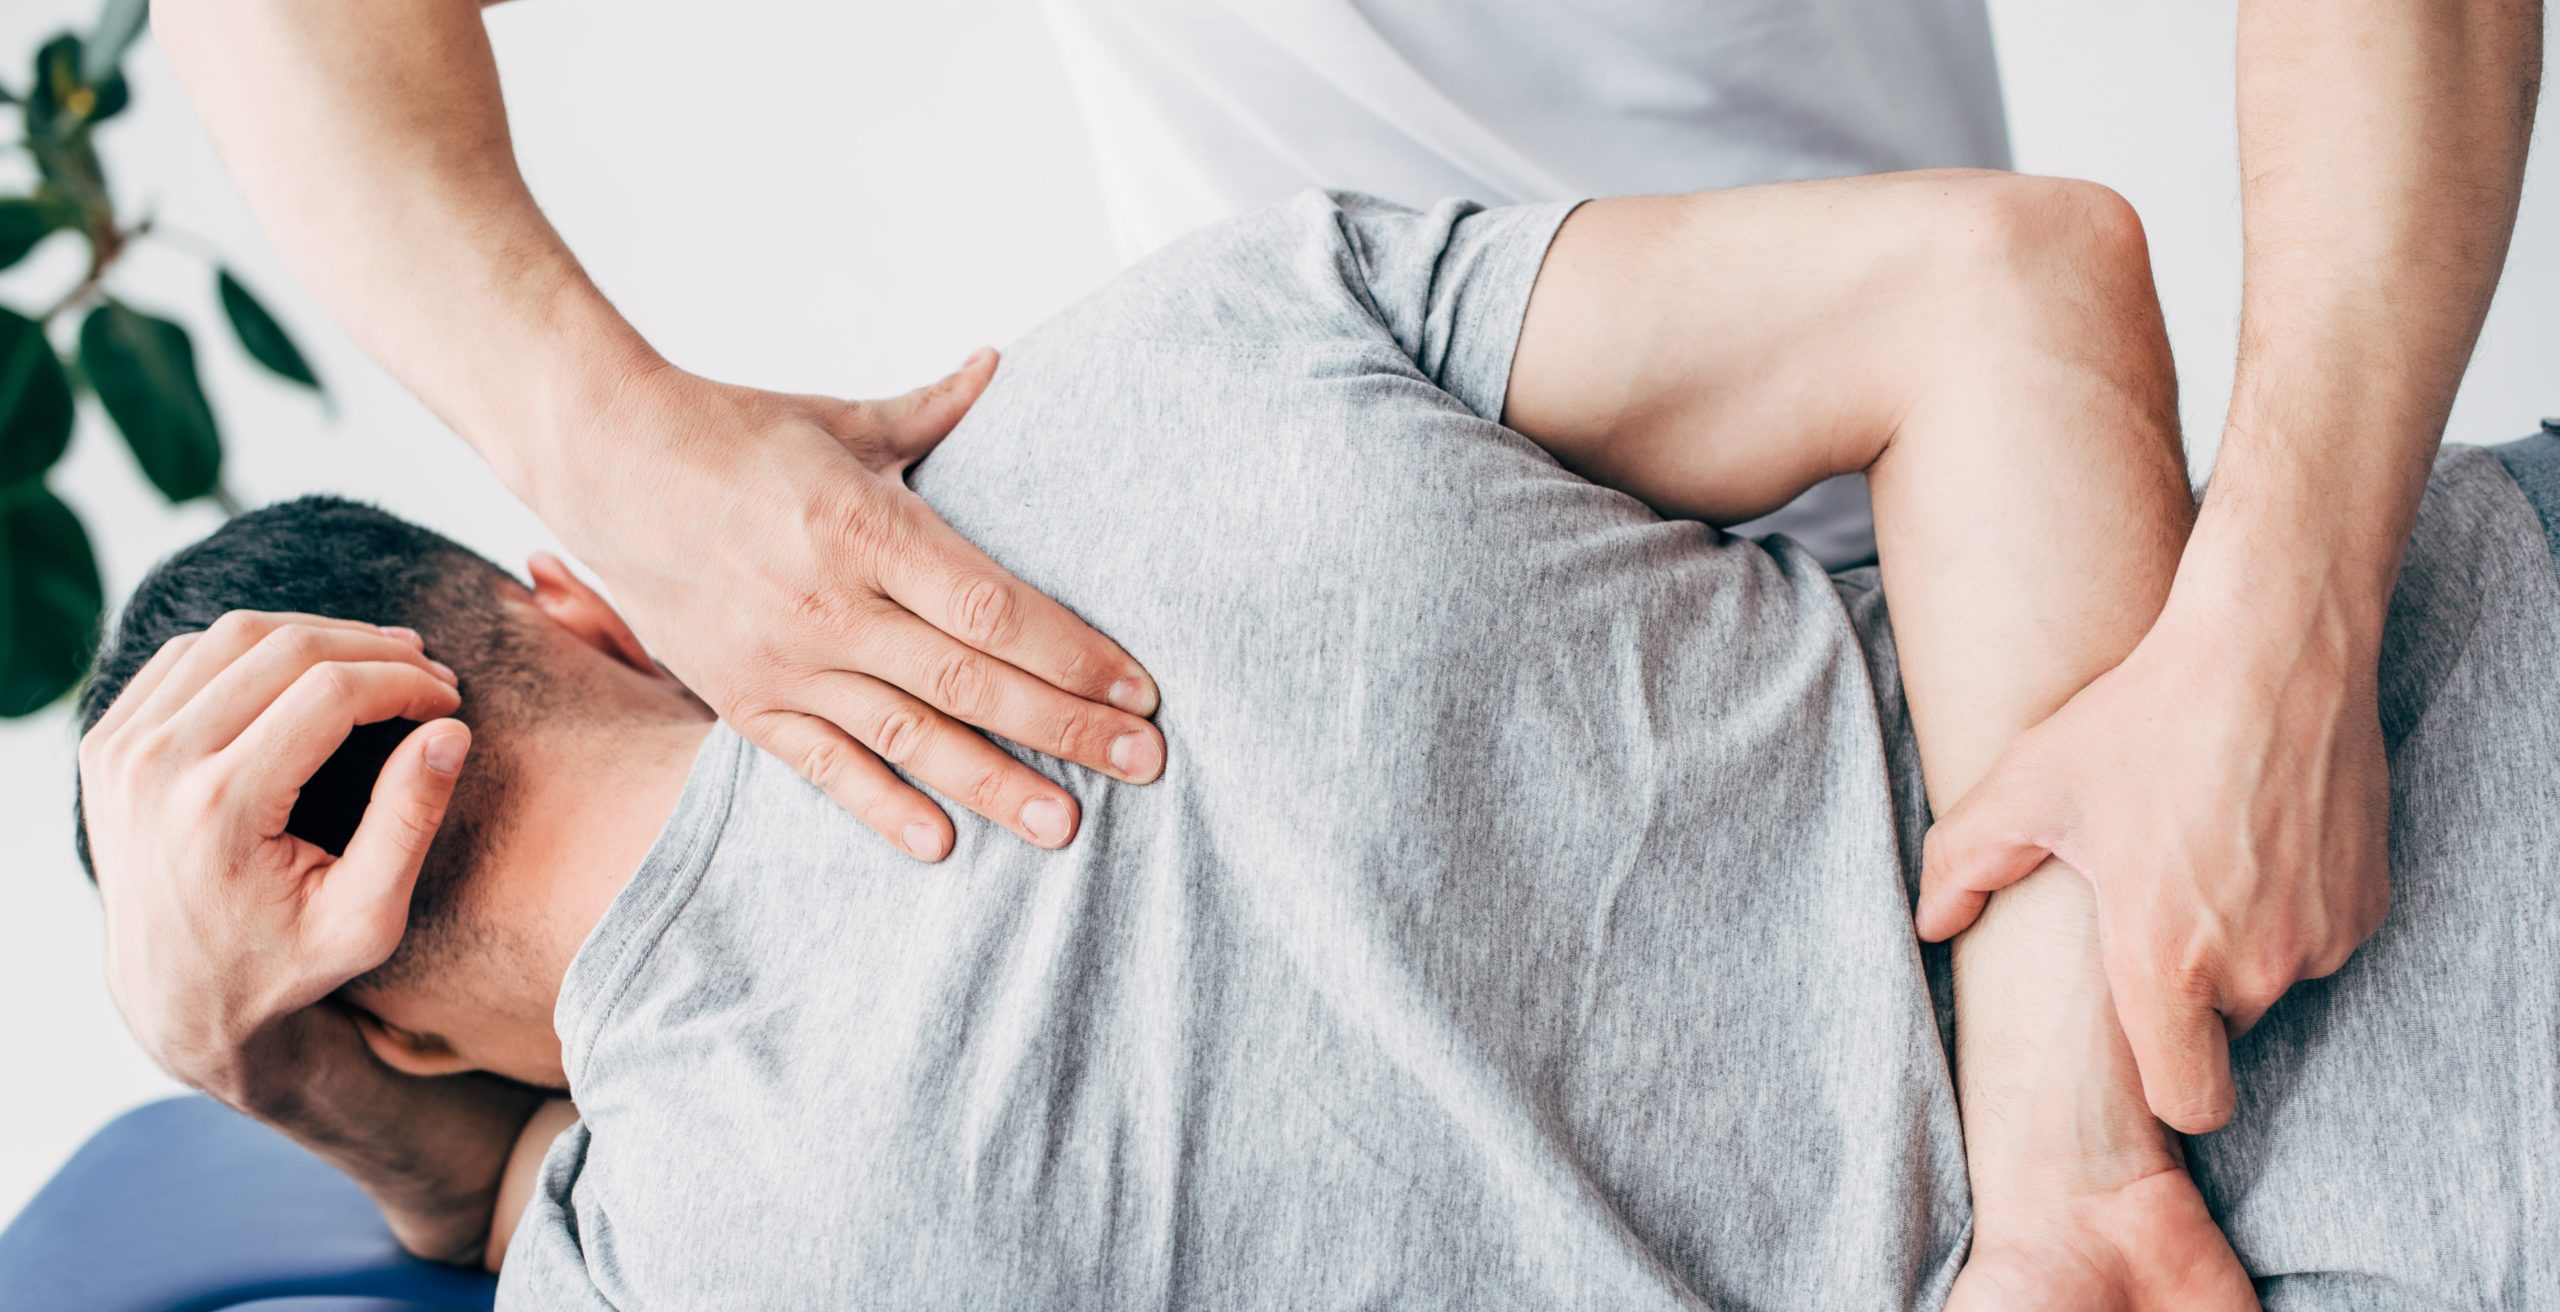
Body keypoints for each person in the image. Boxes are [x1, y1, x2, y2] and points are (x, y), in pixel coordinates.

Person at [77, 173, 2560, 1312]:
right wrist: (2070, 1161)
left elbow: (477, 1189)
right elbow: (2015, 278)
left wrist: (247, 1056)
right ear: (582, 598)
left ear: (365, 1017)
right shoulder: (1163, 355)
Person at [153, 0, 2543, 1140]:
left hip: (1952, 553)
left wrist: (2287, 612)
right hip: (1376, 553)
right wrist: (619, 439)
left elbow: (2004, 300)